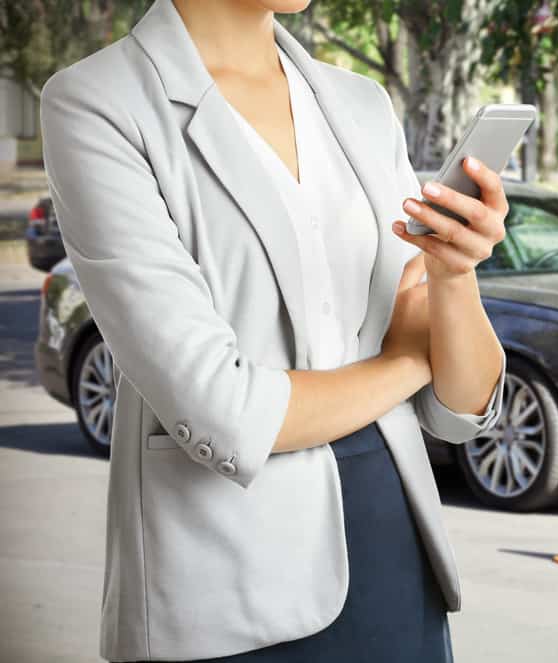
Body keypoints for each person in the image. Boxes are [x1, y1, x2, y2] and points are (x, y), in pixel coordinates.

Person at [38, 0, 509, 660]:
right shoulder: (98, 104)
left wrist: (455, 275)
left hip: (397, 556)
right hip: (224, 583)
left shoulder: (361, 104)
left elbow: (462, 407)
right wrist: (406, 362)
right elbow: (223, 410)